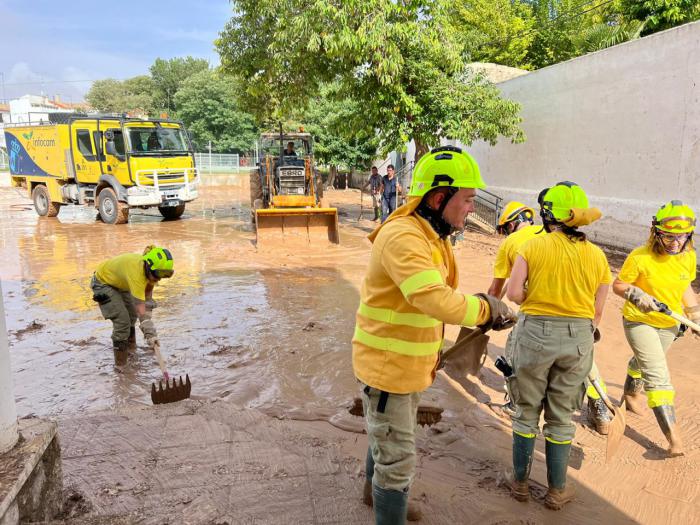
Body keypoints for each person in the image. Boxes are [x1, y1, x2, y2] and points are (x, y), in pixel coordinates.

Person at [353, 146, 516, 523]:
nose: (472, 208)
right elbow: (431, 298)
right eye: (468, 200)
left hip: (406, 365)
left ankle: (374, 496)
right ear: (439, 197)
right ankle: (386, 500)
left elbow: (424, 304)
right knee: (398, 455)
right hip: (387, 369)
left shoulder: (432, 234)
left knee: (390, 433)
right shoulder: (404, 237)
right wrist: (486, 308)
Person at [505, 181, 611, 510]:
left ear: (547, 214)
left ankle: (520, 484)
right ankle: (557, 491)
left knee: (525, 412)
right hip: (578, 338)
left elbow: (513, 294)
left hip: (535, 332)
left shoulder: (533, 247)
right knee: (561, 417)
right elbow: (598, 311)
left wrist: (539, 302)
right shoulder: (598, 256)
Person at [612, 200, 699, 457]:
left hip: (669, 324)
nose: (675, 242)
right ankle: (675, 441)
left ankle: (629, 394)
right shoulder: (640, 257)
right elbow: (618, 285)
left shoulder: (688, 256)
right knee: (657, 374)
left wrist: (694, 314)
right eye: (668, 236)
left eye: (681, 237)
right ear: (656, 232)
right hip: (639, 320)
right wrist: (635, 293)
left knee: (645, 360)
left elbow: (684, 286)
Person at [91, 246, 174, 366]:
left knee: (132, 316)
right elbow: (140, 307)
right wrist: (150, 332)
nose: (159, 278)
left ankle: (131, 352)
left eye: (165, 274)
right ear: (148, 265)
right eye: (159, 273)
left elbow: (147, 297)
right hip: (103, 282)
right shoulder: (137, 273)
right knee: (122, 322)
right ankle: (121, 368)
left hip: (121, 283)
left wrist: (148, 326)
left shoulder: (150, 273)